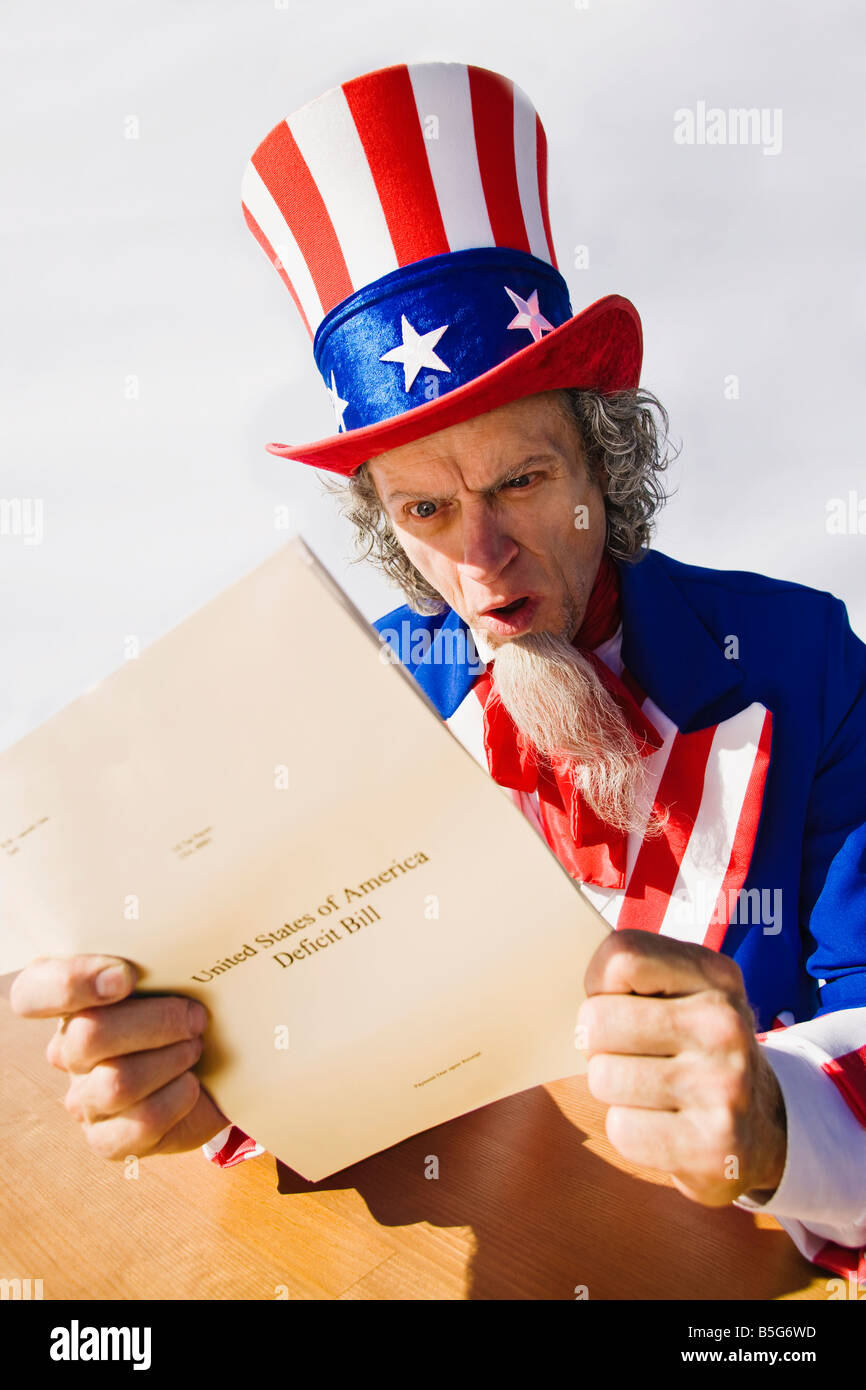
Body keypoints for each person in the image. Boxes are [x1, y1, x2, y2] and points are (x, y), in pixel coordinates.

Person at [11, 61, 866, 1287]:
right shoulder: (347, 697)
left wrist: (780, 1118)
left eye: (520, 480)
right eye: (425, 506)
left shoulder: (802, 660)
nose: (478, 558)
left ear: (601, 468)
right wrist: (205, 1084)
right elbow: (314, 1028)